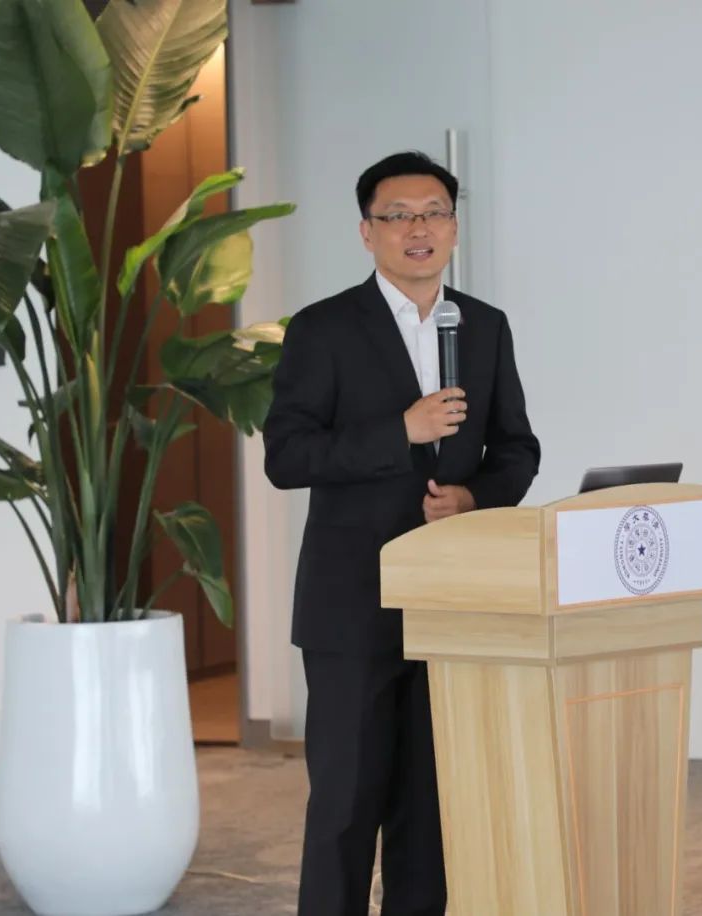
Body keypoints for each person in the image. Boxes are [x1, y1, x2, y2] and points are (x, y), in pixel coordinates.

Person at [263, 150, 540, 916]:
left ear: (454, 227)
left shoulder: (483, 326)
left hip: (450, 603)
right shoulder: (323, 329)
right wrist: (401, 431)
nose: (419, 229)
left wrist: (473, 495)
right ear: (367, 231)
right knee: (346, 807)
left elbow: (517, 449)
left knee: (431, 812)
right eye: (399, 216)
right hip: (353, 605)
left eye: (435, 213)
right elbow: (287, 457)